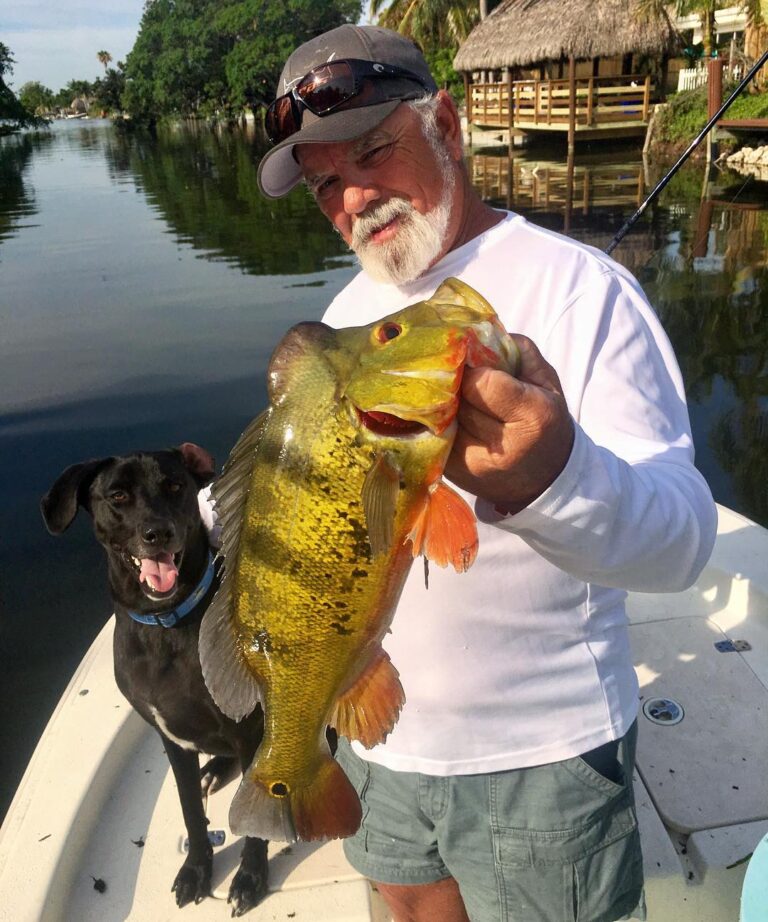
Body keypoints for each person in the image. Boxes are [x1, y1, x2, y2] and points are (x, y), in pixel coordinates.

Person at [255, 24, 718, 922]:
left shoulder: (584, 292)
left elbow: (686, 545)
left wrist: (555, 478)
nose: (353, 199)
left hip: (540, 758)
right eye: (324, 186)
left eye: (374, 152)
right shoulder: (349, 315)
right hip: (377, 743)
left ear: (449, 129)